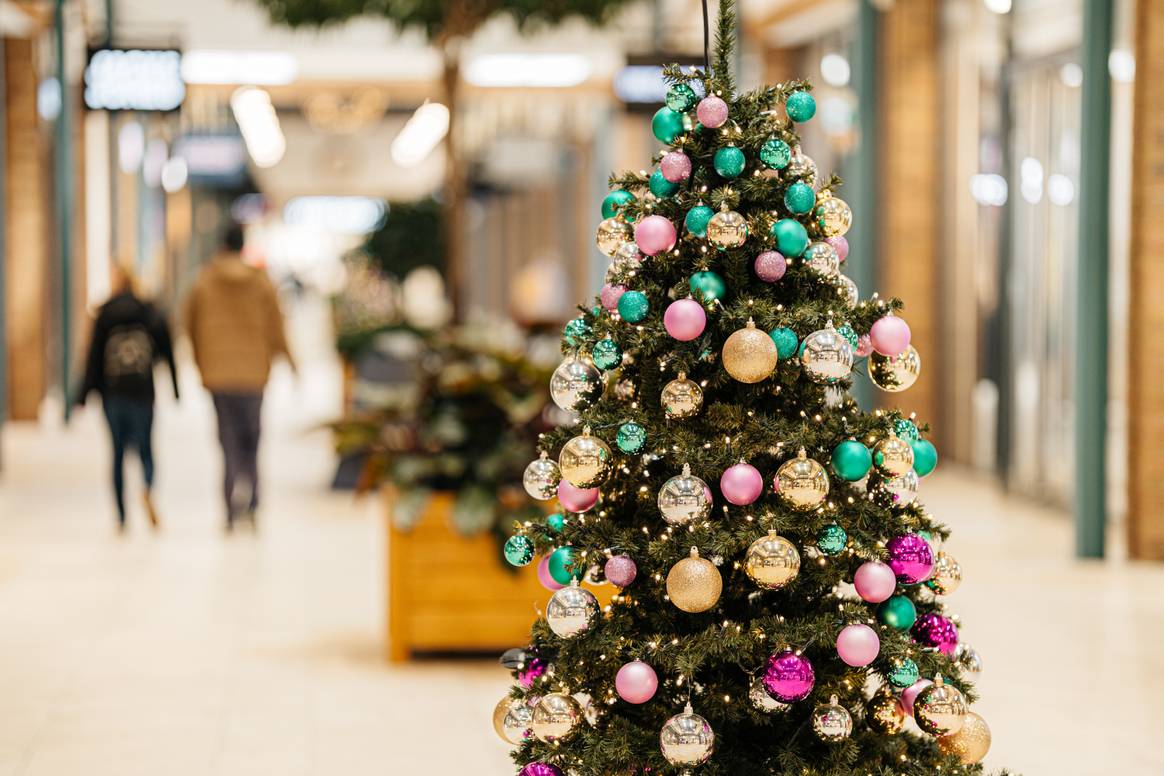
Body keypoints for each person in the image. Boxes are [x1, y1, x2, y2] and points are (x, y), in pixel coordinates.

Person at [185, 224, 295, 531]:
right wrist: (291, 360)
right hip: (253, 374)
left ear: (222, 246)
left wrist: (201, 362)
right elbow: (277, 326)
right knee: (252, 441)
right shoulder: (261, 283)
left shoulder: (204, 281)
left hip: (218, 375)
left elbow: (189, 325)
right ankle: (254, 502)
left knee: (228, 442)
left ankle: (230, 508)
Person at [77, 263, 179, 531]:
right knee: (146, 449)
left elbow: (94, 357)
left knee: (117, 453)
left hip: (113, 393)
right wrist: (176, 386)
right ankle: (146, 486)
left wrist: (83, 393)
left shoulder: (104, 314)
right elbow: (166, 348)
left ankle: (122, 516)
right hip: (142, 392)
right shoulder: (149, 312)